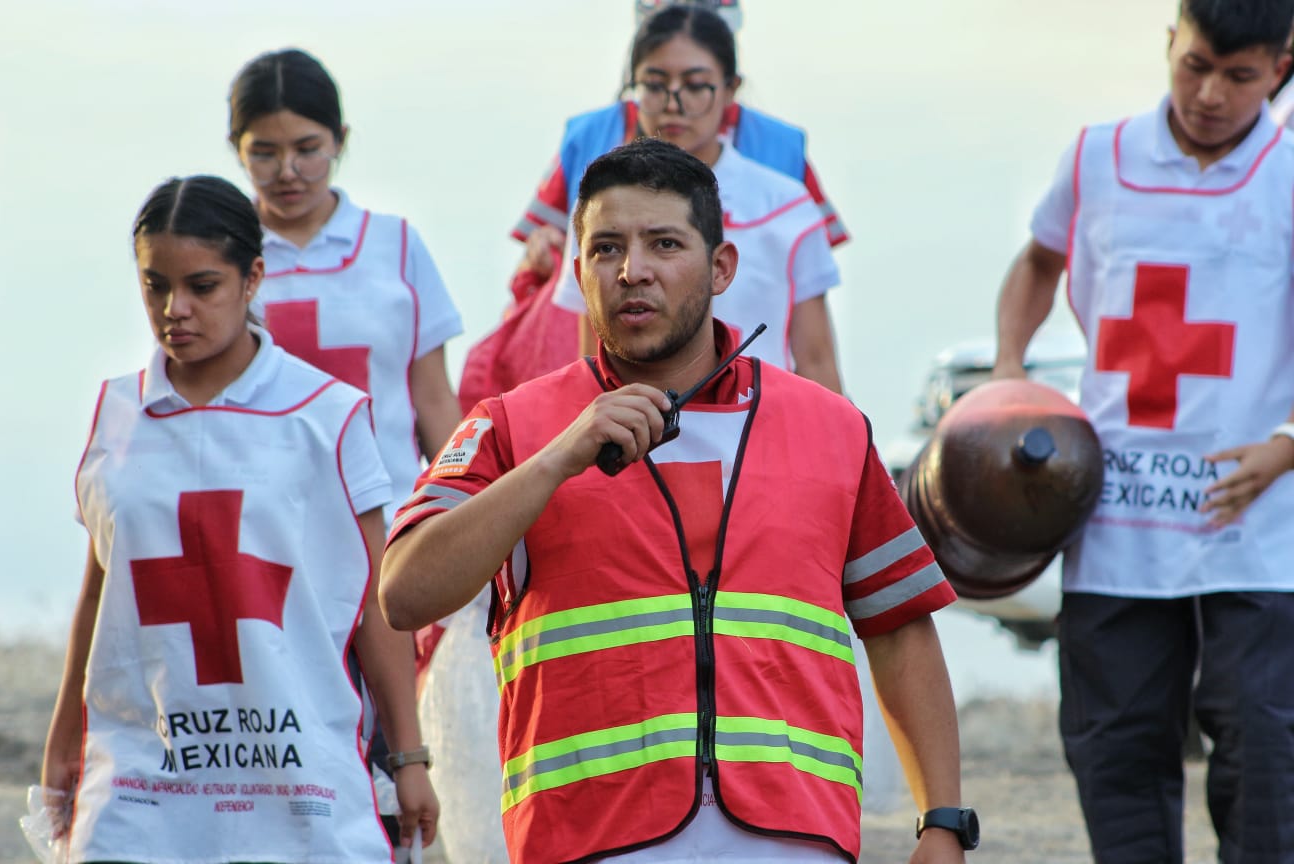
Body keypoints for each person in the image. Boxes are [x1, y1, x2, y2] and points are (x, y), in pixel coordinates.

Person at [382, 138, 975, 864]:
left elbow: (900, 627)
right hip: (585, 841)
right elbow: (404, 593)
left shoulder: (831, 427)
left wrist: (941, 821)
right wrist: (557, 460)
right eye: (606, 249)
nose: (633, 271)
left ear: (721, 268)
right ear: (578, 273)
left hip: (795, 840)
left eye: (664, 243)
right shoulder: (511, 427)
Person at [41, 175, 438, 862]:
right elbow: (102, 592)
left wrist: (408, 757)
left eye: (202, 285)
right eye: (155, 286)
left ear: (252, 278)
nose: (175, 309)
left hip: (297, 776)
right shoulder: (116, 416)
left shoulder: (326, 416)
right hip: (140, 783)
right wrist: (61, 740)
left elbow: (378, 600)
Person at [992, 2, 1294, 861]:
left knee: (1267, 751)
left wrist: (1285, 446)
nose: (1209, 94)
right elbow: (1039, 260)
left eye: (1239, 77)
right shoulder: (1098, 157)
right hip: (1119, 507)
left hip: (1258, 519)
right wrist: (1011, 365)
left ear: (1279, 68)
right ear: (1170, 43)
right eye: (1195, 65)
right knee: (1116, 746)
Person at [458, 0, 848, 409]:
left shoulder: (786, 205)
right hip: (638, 437)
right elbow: (591, 353)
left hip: (759, 427)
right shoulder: (600, 204)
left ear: (731, 88)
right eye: (655, 85)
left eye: (696, 86)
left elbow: (817, 358)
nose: (673, 104)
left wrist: (840, 448)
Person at [228, 48, 464, 526]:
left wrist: (464, 515)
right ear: (237, 147)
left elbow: (434, 401)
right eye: (265, 154)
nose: (288, 171)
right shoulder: (221, 256)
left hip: (388, 522)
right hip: (262, 529)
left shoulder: (396, 245)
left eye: (307, 149)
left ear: (341, 140)